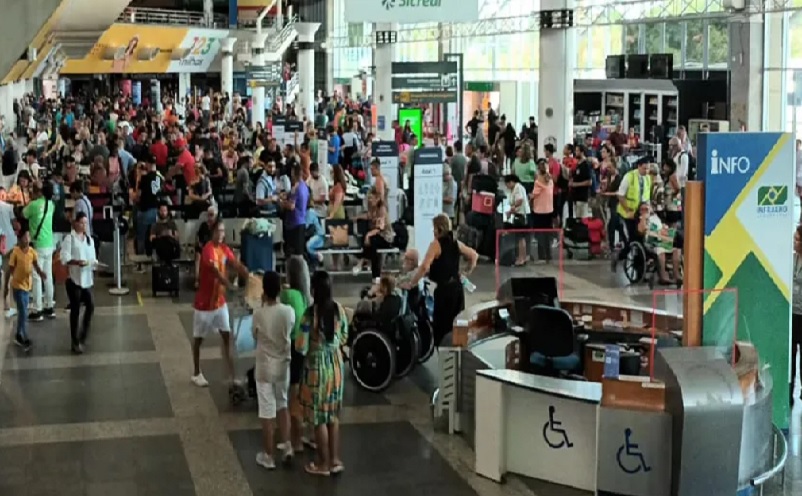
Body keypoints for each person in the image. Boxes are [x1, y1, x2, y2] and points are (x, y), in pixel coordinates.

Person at [298, 270, 347, 476]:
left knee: (318, 418)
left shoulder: (310, 315)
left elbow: (301, 346)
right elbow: (344, 336)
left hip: (317, 368)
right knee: (333, 415)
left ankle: (322, 463)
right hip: (336, 365)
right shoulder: (339, 310)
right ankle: (335, 460)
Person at [191, 219, 251, 387]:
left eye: (224, 231)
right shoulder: (208, 251)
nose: (222, 234)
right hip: (204, 305)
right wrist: (230, 285)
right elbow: (216, 272)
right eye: (219, 231)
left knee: (227, 336)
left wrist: (247, 273)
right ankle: (196, 372)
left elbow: (234, 263)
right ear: (212, 232)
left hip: (219, 303)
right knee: (198, 340)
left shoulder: (224, 249)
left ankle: (232, 375)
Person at [406, 214, 478, 346]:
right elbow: (474, 256)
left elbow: (424, 267)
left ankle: (444, 357)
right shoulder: (457, 243)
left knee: (442, 329)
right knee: (456, 325)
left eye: (434, 228)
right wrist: (465, 272)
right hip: (457, 290)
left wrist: (412, 283)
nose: (433, 231)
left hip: (444, 292)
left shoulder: (435, 245)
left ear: (439, 228)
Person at [253, 271, 296, 469]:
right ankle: (287, 445)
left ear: (264, 291)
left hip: (264, 367)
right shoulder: (288, 311)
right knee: (283, 403)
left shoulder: (258, 313)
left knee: (267, 410)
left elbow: (254, 335)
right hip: (283, 365)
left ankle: (268, 455)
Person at [60, 212, 97, 354]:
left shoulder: (89, 240)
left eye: (86, 223)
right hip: (74, 280)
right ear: (75, 223)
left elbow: (92, 257)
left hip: (86, 280)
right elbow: (64, 258)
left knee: (90, 306)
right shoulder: (70, 239)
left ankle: (83, 335)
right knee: (75, 310)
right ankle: (74, 341)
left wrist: (94, 264)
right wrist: (76, 262)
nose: (84, 226)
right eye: (82, 223)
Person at [6, 227, 46, 351]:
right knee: (23, 311)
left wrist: (41, 273)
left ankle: (19, 334)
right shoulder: (15, 252)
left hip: (27, 285)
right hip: (18, 286)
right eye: (25, 237)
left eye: (28, 237)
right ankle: (22, 336)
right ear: (20, 239)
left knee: (23, 311)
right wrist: (6, 287)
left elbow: (35, 264)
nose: (27, 239)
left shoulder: (32, 252)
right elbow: (10, 270)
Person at [23, 180, 55, 321]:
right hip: (49, 243)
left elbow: (23, 214)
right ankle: (49, 307)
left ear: (37, 192)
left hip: (37, 244)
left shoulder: (33, 205)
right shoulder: (51, 205)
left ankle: (37, 309)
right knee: (47, 276)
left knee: (36, 277)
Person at [612, 160, 652, 271]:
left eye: (648, 169)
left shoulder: (647, 178)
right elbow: (620, 195)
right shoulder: (629, 177)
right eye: (644, 168)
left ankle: (640, 267)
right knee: (630, 240)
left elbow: (647, 196)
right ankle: (619, 256)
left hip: (640, 213)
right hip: (626, 214)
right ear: (639, 166)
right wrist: (627, 210)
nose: (646, 171)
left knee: (641, 239)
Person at [353, 187, 394, 278]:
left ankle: (362, 261)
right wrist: (357, 217)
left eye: (372, 198)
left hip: (385, 237)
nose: (370, 200)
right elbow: (368, 216)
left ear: (377, 198)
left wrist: (368, 235)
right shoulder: (372, 208)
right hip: (376, 236)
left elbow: (380, 228)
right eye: (369, 198)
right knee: (371, 246)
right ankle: (375, 275)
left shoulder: (382, 209)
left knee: (372, 241)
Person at [281, 164, 309, 256]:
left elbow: (291, 206)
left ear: (294, 174)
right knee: (299, 252)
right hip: (302, 221)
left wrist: (281, 203)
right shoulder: (304, 186)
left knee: (292, 253)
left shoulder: (296, 188)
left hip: (294, 224)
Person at [503, 174, 531, 266]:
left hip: (521, 215)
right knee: (520, 238)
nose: (507, 186)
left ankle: (521, 258)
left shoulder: (518, 188)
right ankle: (522, 257)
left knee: (520, 238)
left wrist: (511, 210)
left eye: (507, 184)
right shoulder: (516, 188)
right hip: (518, 214)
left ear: (511, 182)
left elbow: (519, 201)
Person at [530, 160, 554, 262]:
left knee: (540, 234)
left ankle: (541, 255)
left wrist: (529, 196)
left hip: (539, 211)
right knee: (548, 234)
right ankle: (548, 254)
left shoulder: (537, 182)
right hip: (549, 210)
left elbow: (534, 195)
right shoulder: (551, 181)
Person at [194, 205, 218, 288]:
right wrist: (198, 242)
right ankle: (197, 280)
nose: (209, 217)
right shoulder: (203, 225)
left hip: (213, 248)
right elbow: (198, 236)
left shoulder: (217, 226)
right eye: (208, 215)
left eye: (211, 215)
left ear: (215, 216)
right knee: (198, 256)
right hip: (203, 246)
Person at [792, 225, 802, 406]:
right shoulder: (792, 259)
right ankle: (789, 388)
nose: (795, 242)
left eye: (798, 240)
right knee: (791, 352)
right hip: (792, 312)